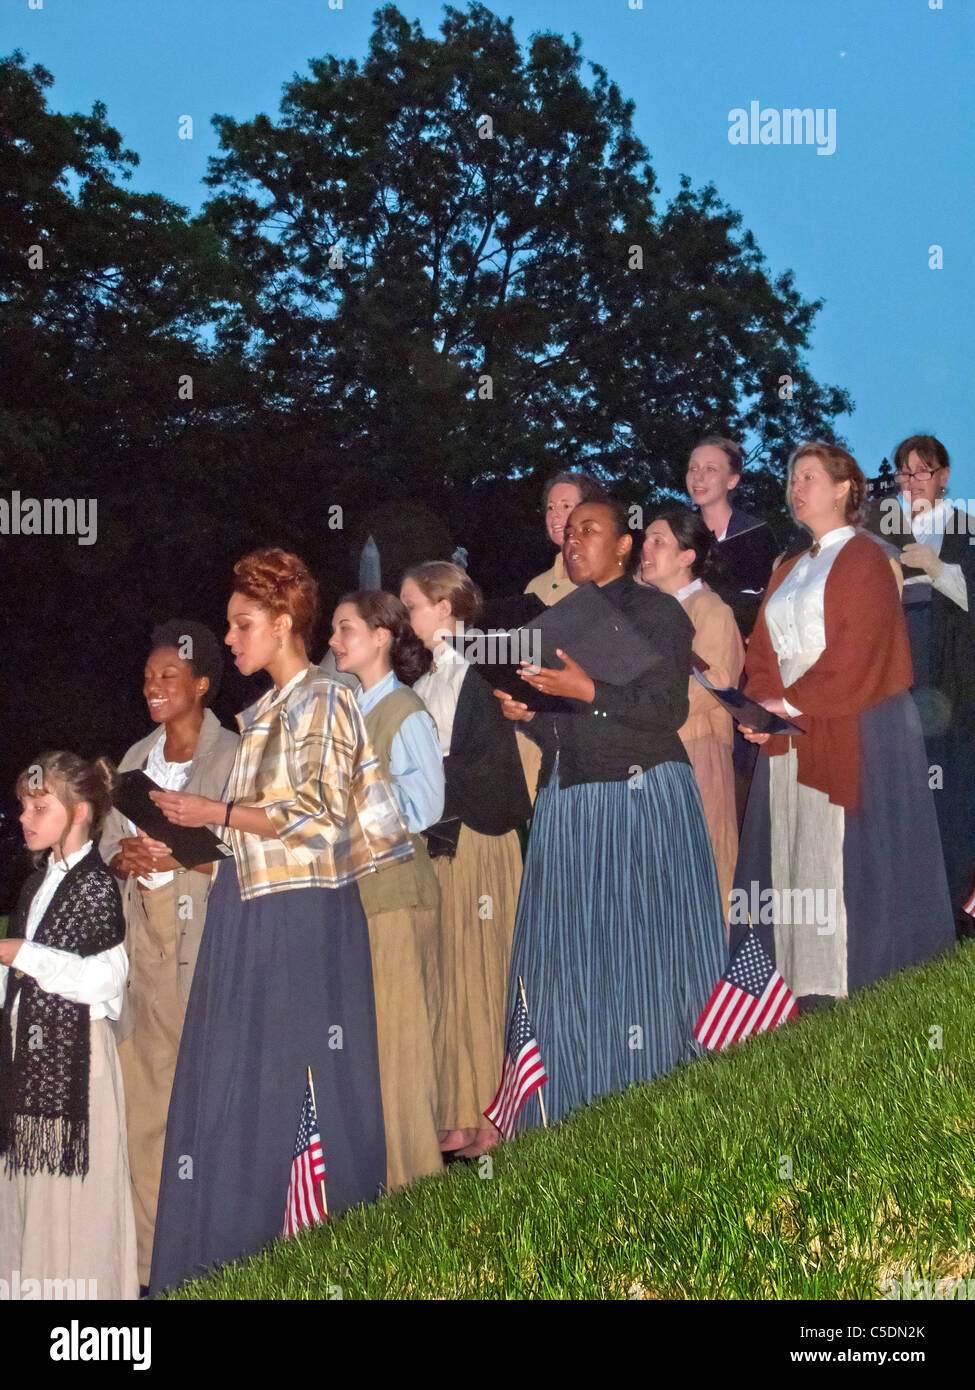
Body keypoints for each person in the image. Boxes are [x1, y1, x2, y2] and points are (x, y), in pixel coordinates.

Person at [147, 549, 413, 1293]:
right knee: (233, 1081)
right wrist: (187, 836)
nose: (228, 640)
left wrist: (217, 812)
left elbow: (321, 817)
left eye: (241, 624)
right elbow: (254, 829)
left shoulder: (325, 696)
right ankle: (227, 1253)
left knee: (295, 1076)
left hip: (303, 915)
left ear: (285, 622)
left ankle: (314, 1242)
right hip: (248, 907)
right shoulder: (262, 712)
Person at [495, 500, 727, 1128]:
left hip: (638, 799)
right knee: (567, 961)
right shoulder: (554, 622)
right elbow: (571, 732)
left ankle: (662, 1097)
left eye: (588, 531)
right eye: (568, 534)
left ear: (625, 546)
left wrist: (588, 692)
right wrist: (534, 717)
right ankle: (571, 1101)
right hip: (568, 800)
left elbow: (664, 710)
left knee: (642, 954)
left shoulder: (657, 612)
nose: (573, 541)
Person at [735, 443, 955, 1008]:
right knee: (789, 852)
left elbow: (863, 648)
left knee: (843, 856)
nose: (796, 487)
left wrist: (789, 704)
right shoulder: (785, 568)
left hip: (853, 721)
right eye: (792, 478)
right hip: (790, 729)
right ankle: (791, 990)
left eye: (809, 477)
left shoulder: (866, 556)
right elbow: (759, 651)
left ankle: (848, 985)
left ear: (843, 489)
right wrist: (760, 705)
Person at [99, 620, 239, 1289]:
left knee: (207, 1108)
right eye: (149, 676)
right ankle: (153, 1270)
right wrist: (125, 858)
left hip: (204, 944)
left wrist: (178, 851)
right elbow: (104, 852)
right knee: (144, 1116)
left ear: (202, 683)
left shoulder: (235, 757)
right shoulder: (133, 760)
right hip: (141, 950)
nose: (153, 687)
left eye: (169, 677)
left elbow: (255, 858)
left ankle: (222, 1254)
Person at [401, 562, 531, 1158]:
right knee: (448, 971)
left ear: (445, 607)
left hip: (478, 834)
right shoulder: (426, 681)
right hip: (443, 839)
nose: (406, 618)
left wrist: (433, 775)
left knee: (481, 967)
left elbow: (487, 763)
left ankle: (494, 1109)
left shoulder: (479, 671)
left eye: (413, 606)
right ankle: (457, 1107)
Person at [0, 752, 137, 1301]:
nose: (26, 818)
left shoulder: (94, 886)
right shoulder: (39, 885)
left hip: (78, 1070)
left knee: (73, 1208)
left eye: (40, 806)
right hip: (29, 1062)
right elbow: (18, 986)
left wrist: (21, 953)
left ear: (79, 811)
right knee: (32, 1201)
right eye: (23, 807)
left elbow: (106, 981)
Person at [329, 590, 445, 1190]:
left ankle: (416, 1179)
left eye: (345, 629)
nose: (333, 641)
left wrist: (349, 801)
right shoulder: (350, 710)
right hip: (361, 893)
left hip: (397, 893)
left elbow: (425, 806)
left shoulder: (404, 711)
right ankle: (377, 1177)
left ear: (380, 637)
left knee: (402, 1038)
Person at [866, 435, 975, 938]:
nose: (911, 483)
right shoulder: (879, 525)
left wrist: (939, 570)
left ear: (945, 476)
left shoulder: (967, 526)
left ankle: (952, 910)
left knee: (949, 787)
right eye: (904, 474)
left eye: (922, 472)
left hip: (949, 672)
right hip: (896, 668)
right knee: (898, 781)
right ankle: (900, 909)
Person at [639, 505, 744, 926]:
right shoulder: (643, 613)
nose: (645, 548)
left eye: (658, 540)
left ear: (688, 556)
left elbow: (715, 687)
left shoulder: (710, 611)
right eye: (645, 540)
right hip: (649, 754)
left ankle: (714, 979)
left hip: (693, 751)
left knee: (702, 866)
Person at [686, 437, 779, 639]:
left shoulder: (756, 534)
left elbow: (773, 599)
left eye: (710, 469)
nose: (698, 477)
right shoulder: (681, 536)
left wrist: (715, 594)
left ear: (732, 480)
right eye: (693, 468)